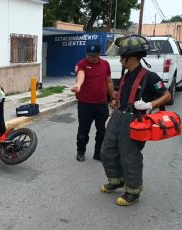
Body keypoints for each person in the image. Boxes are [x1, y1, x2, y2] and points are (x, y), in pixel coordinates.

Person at [100, 35, 171, 206]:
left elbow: (166, 96)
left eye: (122, 56)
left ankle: (133, 191)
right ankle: (116, 180)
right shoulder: (126, 74)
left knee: (129, 156)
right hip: (118, 116)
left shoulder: (151, 77)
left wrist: (149, 104)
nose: (120, 59)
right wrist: (115, 100)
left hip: (134, 120)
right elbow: (122, 94)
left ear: (131, 58)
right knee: (107, 151)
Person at [71, 44, 115, 162]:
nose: (90, 58)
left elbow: (109, 81)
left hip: (101, 104)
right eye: (89, 55)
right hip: (85, 104)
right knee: (83, 131)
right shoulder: (81, 64)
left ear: (99, 54)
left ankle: (98, 153)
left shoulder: (105, 64)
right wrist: (78, 85)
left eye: (93, 56)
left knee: (102, 131)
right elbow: (81, 75)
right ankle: (81, 152)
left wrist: (113, 97)